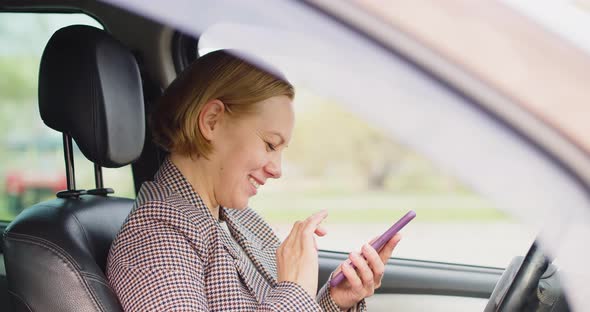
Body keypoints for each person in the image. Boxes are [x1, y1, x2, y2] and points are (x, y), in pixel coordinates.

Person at [106, 49, 402, 311]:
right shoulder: (155, 236)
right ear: (212, 121)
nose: (277, 169)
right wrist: (296, 291)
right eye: (270, 145)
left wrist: (332, 302)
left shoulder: (239, 219)